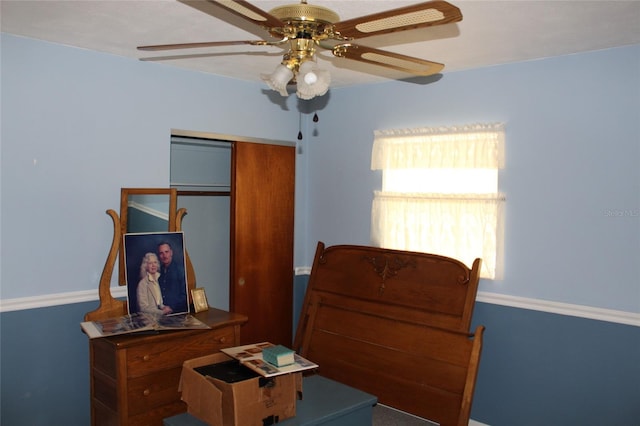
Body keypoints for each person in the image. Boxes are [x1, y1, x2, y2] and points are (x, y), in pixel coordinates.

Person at [157, 241, 188, 313]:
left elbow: (184, 295)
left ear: (171, 252)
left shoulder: (180, 270)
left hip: (176, 313)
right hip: (160, 313)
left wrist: (171, 307)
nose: (164, 256)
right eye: (161, 253)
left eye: (166, 252)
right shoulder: (157, 272)